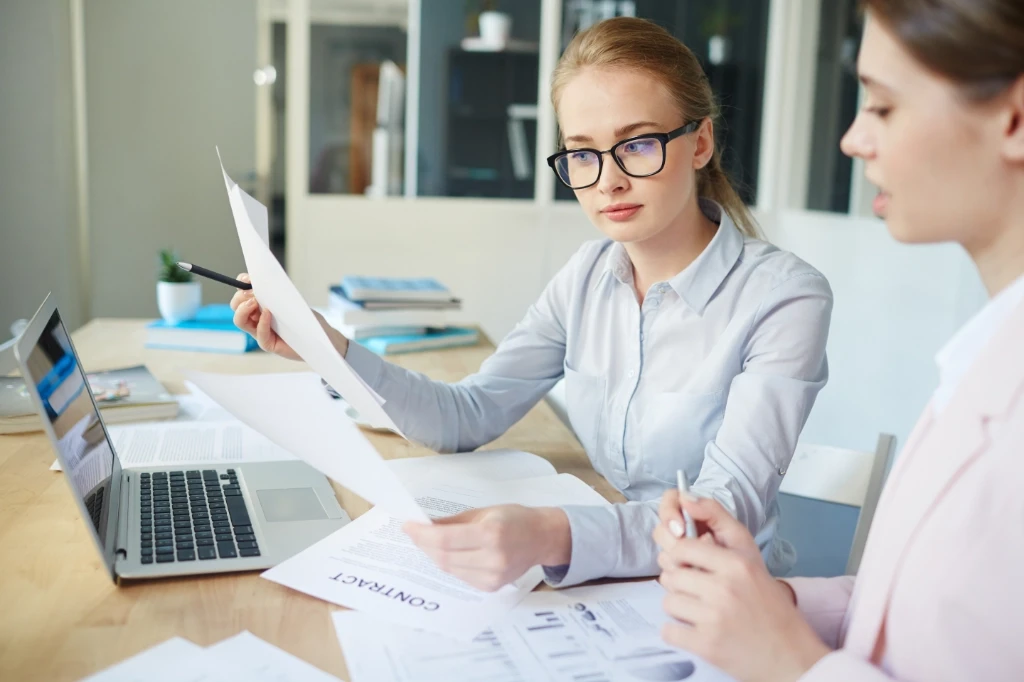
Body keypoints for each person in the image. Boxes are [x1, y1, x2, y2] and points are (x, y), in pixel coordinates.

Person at [231, 17, 833, 592]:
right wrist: (325, 346)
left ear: (699, 142)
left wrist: (549, 533)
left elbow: (723, 512)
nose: (608, 181)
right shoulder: (586, 276)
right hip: (603, 579)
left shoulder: (784, 297)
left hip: (723, 598)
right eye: (582, 153)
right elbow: (466, 414)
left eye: (639, 145)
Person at [654, 1, 1024, 679]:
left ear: (1014, 118)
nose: (852, 139)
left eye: (882, 107)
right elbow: (920, 612)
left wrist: (791, 662)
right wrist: (769, 601)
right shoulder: (986, 357)